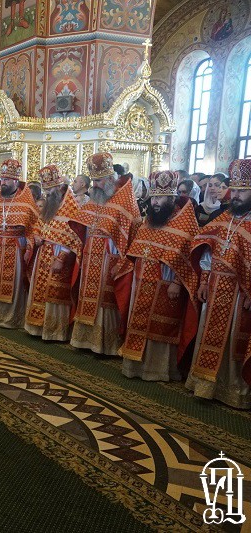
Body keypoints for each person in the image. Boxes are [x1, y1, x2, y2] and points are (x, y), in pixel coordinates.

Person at [116, 171, 200, 381]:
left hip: (166, 284)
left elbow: (188, 258)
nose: (155, 202)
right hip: (141, 282)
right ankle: (135, 366)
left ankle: (158, 370)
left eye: (161, 198)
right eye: (154, 197)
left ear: (172, 198)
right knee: (139, 323)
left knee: (161, 328)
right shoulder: (150, 221)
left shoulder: (184, 222)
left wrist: (177, 282)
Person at [186, 158, 251, 409]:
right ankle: (205, 385)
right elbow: (206, 252)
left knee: (234, 339)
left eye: (243, 191)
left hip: (239, 292)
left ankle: (233, 390)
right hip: (215, 287)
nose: (236, 196)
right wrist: (204, 281)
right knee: (209, 334)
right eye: (234, 190)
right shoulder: (225, 218)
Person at [70, 153, 141, 355]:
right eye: (93, 181)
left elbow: (132, 235)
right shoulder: (95, 200)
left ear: (110, 179)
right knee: (87, 296)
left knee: (105, 301)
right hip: (90, 256)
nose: (95, 185)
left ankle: (104, 345)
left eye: (99, 181)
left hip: (110, 260)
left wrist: (122, 261)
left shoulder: (125, 201)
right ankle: (84, 340)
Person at [24, 165, 84, 340]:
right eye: (45, 190)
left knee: (55, 293)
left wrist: (61, 258)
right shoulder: (50, 205)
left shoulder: (71, 206)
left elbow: (73, 235)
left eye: (50, 190)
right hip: (43, 252)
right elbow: (39, 224)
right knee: (40, 290)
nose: (47, 194)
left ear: (59, 187)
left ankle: (54, 331)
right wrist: (36, 235)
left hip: (59, 256)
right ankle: (37, 327)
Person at [0, 159, 39, 328]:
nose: (3, 183)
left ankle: (11, 319)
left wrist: (29, 248)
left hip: (16, 246)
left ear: (15, 181)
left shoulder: (26, 200)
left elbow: (33, 227)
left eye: (6, 180)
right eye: (2, 179)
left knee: (15, 283)